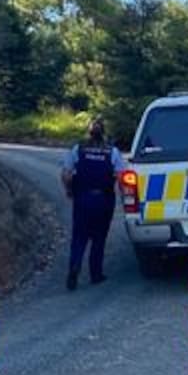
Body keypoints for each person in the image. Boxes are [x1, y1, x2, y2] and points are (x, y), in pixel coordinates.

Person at [61, 118, 124, 290]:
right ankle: (95, 274)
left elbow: (66, 174)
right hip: (104, 199)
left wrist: (69, 190)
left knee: (79, 237)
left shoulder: (78, 149)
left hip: (82, 198)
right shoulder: (113, 152)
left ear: (89, 133)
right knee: (99, 237)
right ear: (104, 133)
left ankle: (74, 267)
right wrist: (125, 196)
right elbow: (121, 177)